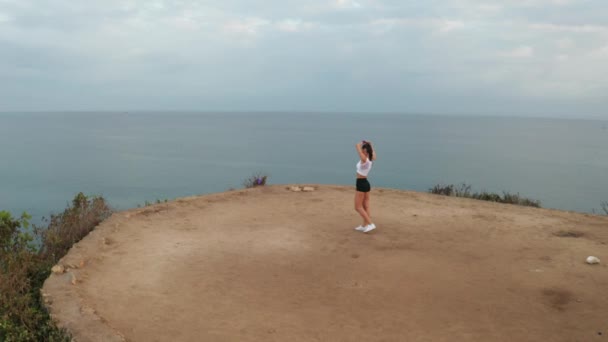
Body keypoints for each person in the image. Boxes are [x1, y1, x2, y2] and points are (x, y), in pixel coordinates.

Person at [354, 140, 377, 233]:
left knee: (358, 207)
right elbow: (373, 153)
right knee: (365, 205)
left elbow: (357, 146)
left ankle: (370, 224)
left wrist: (360, 143)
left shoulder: (364, 159)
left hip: (361, 183)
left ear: (365, 151)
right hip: (366, 183)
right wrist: (370, 144)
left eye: (363, 150)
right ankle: (365, 225)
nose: (362, 151)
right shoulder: (371, 158)